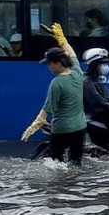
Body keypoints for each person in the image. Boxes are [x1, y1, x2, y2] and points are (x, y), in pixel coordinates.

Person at [20, 23, 86, 164]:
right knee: (76, 163)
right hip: (80, 127)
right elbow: (72, 52)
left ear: (58, 63)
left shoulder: (57, 83)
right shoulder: (77, 72)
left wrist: (33, 127)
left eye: (50, 64)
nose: (48, 67)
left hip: (62, 129)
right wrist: (61, 40)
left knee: (55, 163)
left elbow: (47, 109)